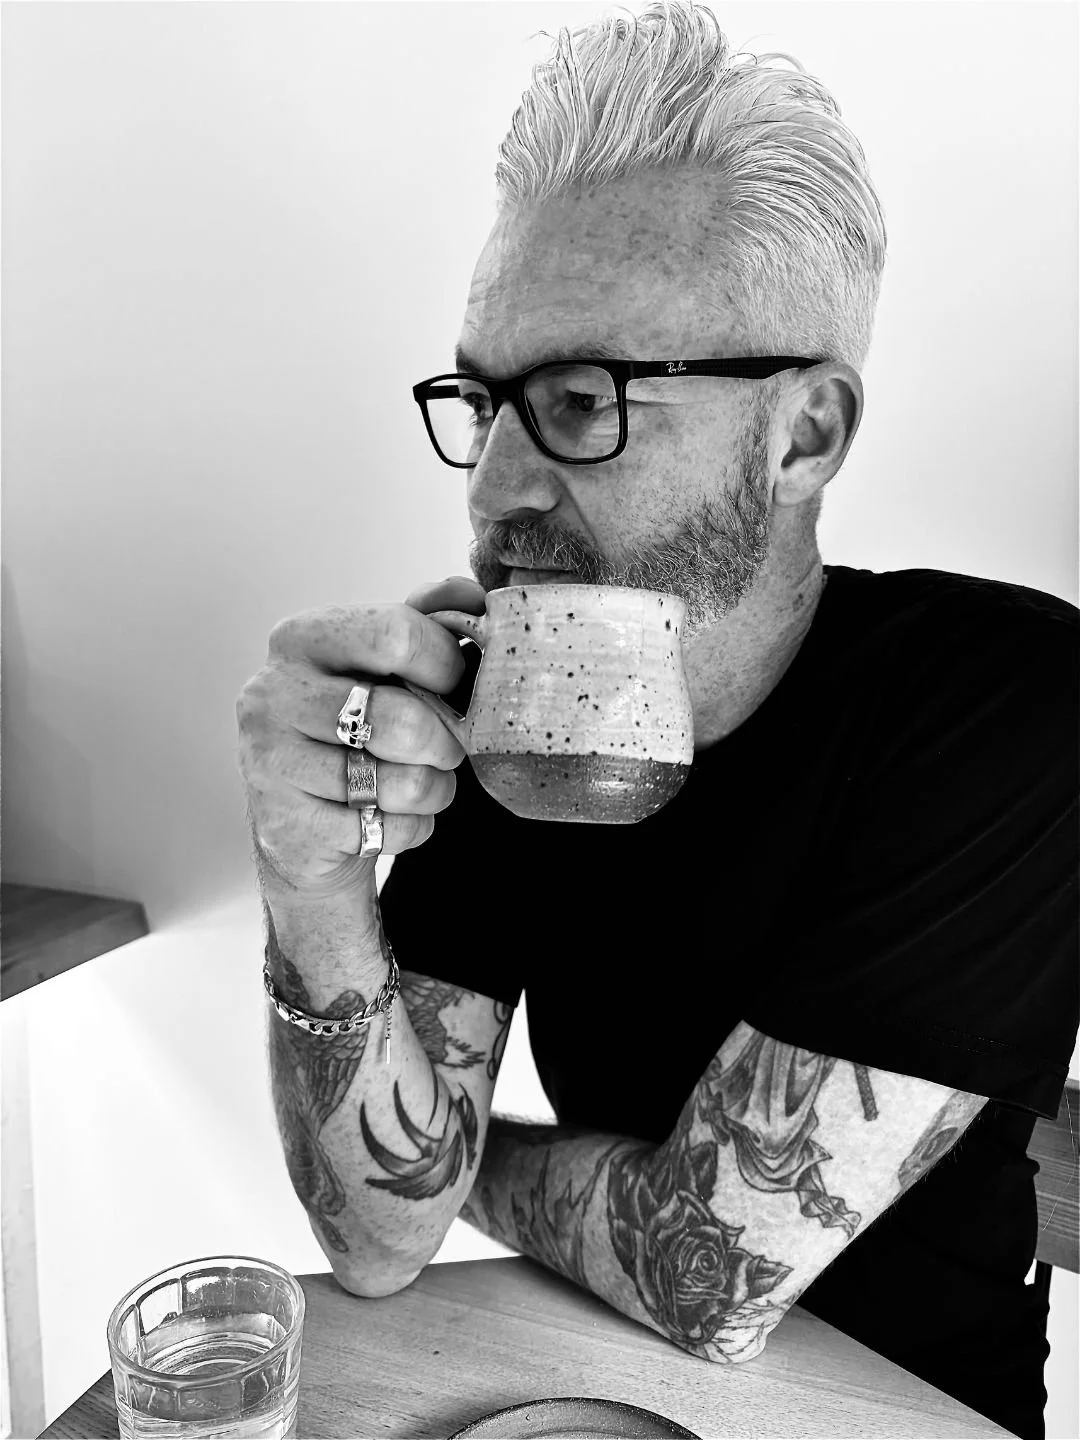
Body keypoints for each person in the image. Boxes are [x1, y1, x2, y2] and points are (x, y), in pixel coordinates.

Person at [235, 5, 1078, 1437]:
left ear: (802, 435)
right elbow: (376, 1242)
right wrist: (308, 874)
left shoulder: (1002, 706)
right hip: (576, 1383)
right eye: (483, 400)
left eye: (578, 400)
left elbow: (711, 1272)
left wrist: (462, 1165)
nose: (494, 487)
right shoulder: (516, 708)